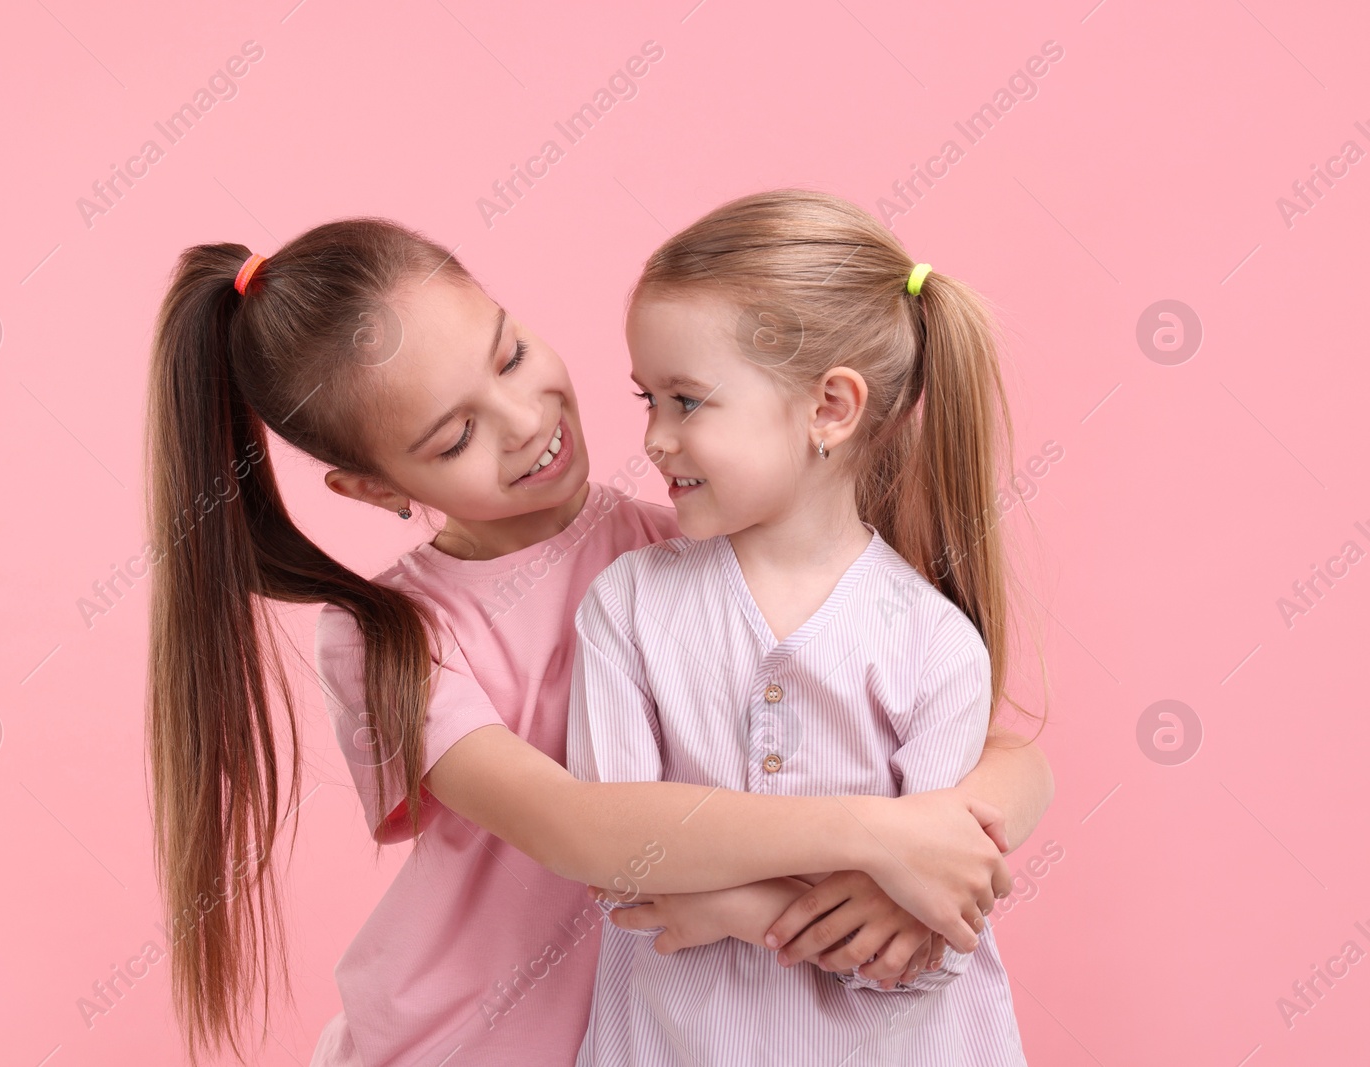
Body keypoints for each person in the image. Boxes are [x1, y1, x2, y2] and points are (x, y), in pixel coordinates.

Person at [142, 216, 1053, 1065]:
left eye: (511, 354)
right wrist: (876, 844)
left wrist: (936, 853)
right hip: (469, 1043)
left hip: (663, 1033)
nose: (525, 420)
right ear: (378, 490)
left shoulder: (686, 551)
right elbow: (576, 826)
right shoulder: (391, 636)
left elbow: (1005, 753)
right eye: (457, 435)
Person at [570, 189, 1035, 1065]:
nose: (655, 438)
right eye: (647, 398)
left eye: (687, 400)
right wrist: (801, 895)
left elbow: (925, 939)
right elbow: (616, 851)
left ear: (830, 407)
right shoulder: (628, 605)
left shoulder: (933, 645)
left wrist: (726, 907)